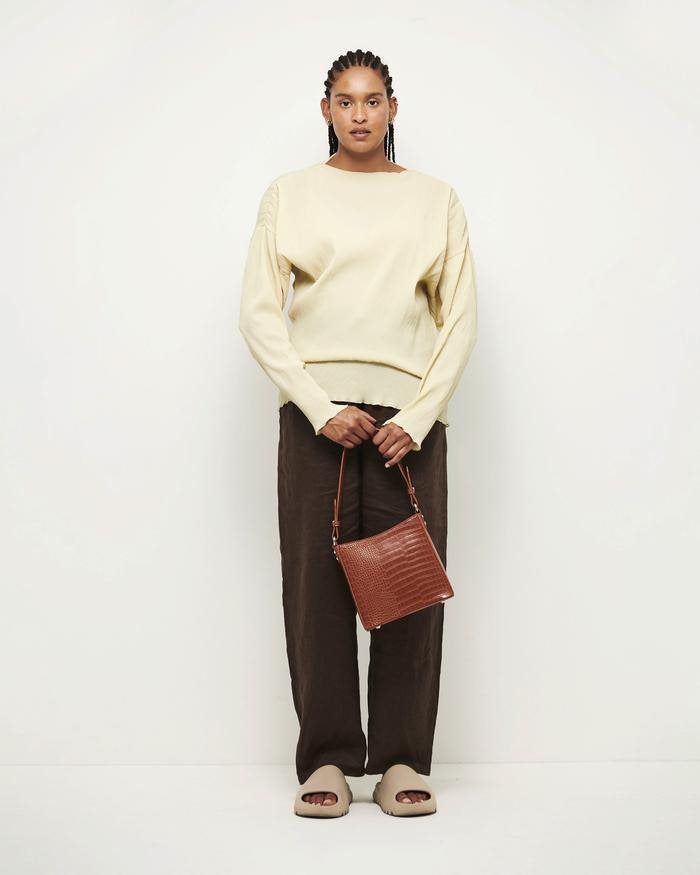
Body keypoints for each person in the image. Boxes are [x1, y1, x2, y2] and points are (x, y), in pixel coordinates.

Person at [238, 48, 478, 817]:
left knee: (408, 588)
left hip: (407, 424)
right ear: (327, 111)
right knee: (316, 590)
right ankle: (329, 758)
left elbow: (459, 317)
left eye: (373, 100)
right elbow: (259, 313)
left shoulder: (435, 200)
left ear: (393, 108)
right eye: (346, 100)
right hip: (320, 418)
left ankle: (403, 756)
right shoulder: (291, 194)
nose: (360, 113)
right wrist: (317, 406)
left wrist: (419, 415)